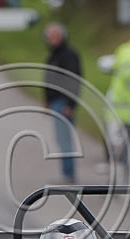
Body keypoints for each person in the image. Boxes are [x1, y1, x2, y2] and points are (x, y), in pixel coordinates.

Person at [105, 27, 130, 181]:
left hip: (128, 110)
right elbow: (129, 75)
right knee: (124, 150)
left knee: (126, 150)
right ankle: (122, 183)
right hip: (124, 110)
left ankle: (125, 180)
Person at [43, 23, 81, 183]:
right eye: (49, 37)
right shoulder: (54, 55)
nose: (52, 40)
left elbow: (74, 80)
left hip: (63, 103)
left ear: (63, 36)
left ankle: (69, 174)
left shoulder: (68, 55)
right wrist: (47, 101)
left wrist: (70, 105)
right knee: (60, 139)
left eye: (55, 36)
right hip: (55, 103)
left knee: (65, 140)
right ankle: (66, 173)